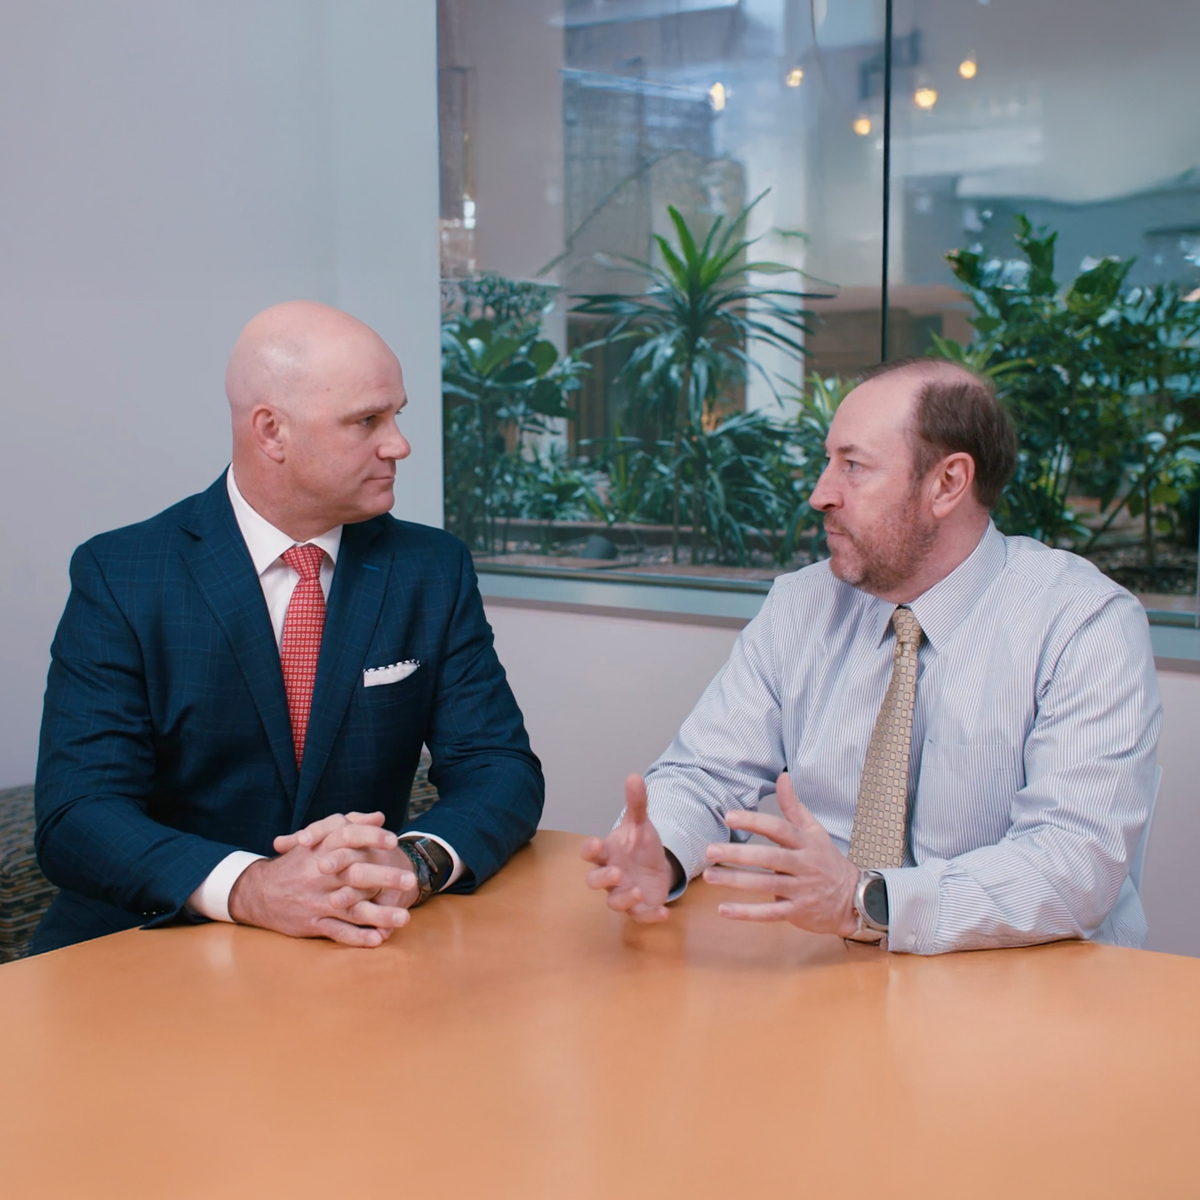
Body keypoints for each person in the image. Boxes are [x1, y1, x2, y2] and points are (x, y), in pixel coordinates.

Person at [583, 358, 1161, 954]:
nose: (819, 494)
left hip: (1019, 986)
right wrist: (665, 852)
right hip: (821, 971)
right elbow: (705, 772)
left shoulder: (1084, 623)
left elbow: (1073, 866)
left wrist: (866, 900)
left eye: (853, 467)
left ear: (947, 484)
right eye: (828, 461)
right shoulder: (801, 604)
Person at [33, 301, 543, 953]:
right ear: (271, 431)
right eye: (367, 420)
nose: (399, 444)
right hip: (151, 942)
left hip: (357, 948)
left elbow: (499, 766)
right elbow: (78, 817)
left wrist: (415, 863)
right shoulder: (122, 574)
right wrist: (252, 888)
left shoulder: (432, 569)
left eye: (396, 414)